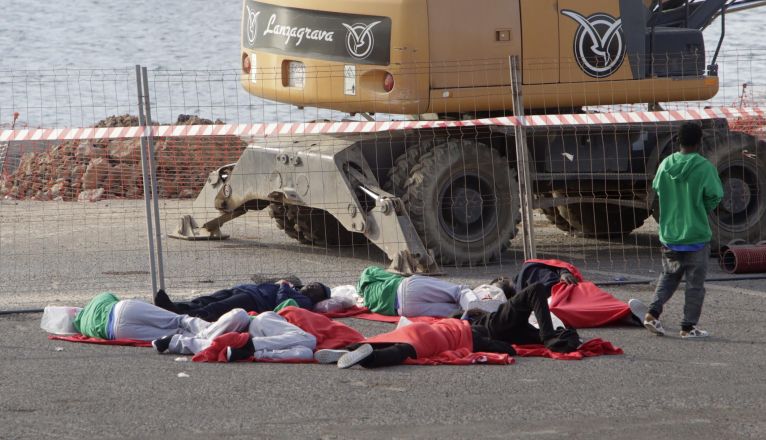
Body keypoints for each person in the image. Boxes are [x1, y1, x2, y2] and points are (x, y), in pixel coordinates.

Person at [315, 282, 581, 368]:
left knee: (403, 344)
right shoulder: (484, 321)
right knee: (406, 350)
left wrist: (552, 337)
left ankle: (355, 348)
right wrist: (548, 338)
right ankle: (365, 355)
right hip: (479, 330)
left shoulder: (461, 318)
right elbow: (534, 293)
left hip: (440, 328)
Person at [644, 122, 723, 338]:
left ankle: (652, 313)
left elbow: (657, 190)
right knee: (695, 285)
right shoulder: (704, 167)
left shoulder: (665, 164)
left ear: (678, 141)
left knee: (668, 276)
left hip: (670, 235)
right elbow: (715, 195)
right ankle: (687, 328)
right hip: (696, 235)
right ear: (699, 142)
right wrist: (700, 209)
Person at [59, 292, 250, 343]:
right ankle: (211, 327)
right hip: (123, 308)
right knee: (180, 320)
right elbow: (112, 298)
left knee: (176, 333)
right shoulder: (97, 300)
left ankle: (215, 335)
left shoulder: (84, 328)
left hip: (116, 331)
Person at [152, 311, 317, 363]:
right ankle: (250, 348)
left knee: (306, 353)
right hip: (262, 324)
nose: (310, 287)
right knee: (309, 341)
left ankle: (250, 351)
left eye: (316, 287)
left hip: (271, 344)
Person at [356, 266, 506, 318]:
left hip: (404, 309)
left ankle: (490, 314)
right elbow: (393, 276)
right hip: (407, 286)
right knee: (459, 291)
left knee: (458, 312)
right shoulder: (368, 273)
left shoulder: (368, 302)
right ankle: (493, 307)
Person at [153, 280, 331, 322]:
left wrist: (284, 285)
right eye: (313, 284)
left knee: (217, 307)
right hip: (246, 289)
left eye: (316, 288)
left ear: (318, 297)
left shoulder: (305, 303)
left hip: (254, 300)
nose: (312, 286)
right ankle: (174, 307)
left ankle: (183, 316)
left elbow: (281, 303)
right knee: (205, 299)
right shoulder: (297, 287)